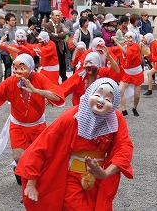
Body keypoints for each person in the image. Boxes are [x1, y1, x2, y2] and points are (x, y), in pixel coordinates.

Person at [15, 77, 133, 210]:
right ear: (90, 92)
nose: (101, 100)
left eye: (108, 99)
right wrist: (31, 182)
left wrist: (105, 173)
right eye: (98, 94)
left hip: (98, 177)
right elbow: (43, 145)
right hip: (72, 178)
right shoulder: (72, 116)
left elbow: (124, 148)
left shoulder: (116, 119)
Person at [0, 54, 65, 184]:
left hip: (37, 125)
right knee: (18, 156)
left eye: (21, 68)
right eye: (15, 68)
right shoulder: (10, 82)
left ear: (31, 68)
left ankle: (29, 176)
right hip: (18, 125)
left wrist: (36, 91)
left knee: (41, 156)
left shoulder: (40, 78)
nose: (17, 71)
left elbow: (57, 96)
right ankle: (24, 175)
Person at [112, 32, 143, 116]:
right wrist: (104, 48)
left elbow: (126, 52)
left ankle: (134, 108)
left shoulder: (135, 46)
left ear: (133, 38)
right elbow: (114, 50)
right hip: (126, 73)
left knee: (137, 95)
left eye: (130, 37)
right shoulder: (124, 45)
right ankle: (124, 109)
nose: (128, 39)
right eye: (126, 37)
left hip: (137, 73)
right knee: (120, 90)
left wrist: (117, 42)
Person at [44, 10, 69, 83]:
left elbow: (64, 35)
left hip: (60, 47)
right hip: (52, 48)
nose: (58, 17)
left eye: (59, 15)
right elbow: (49, 36)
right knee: (55, 65)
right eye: (56, 15)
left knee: (62, 64)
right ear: (52, 16)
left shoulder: (61, 25)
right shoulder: (47, 25)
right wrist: (59, 35)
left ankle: (64, 81)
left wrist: (57, 35)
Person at [0, 13, 17, 79]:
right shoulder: (5, 31)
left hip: (12, 51)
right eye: (12, 20)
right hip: (6, 53)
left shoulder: (14, 29)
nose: (14, 22)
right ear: (7, 21)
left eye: (14, 20)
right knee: (8, 70)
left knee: (10, 69)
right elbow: (3, 42)